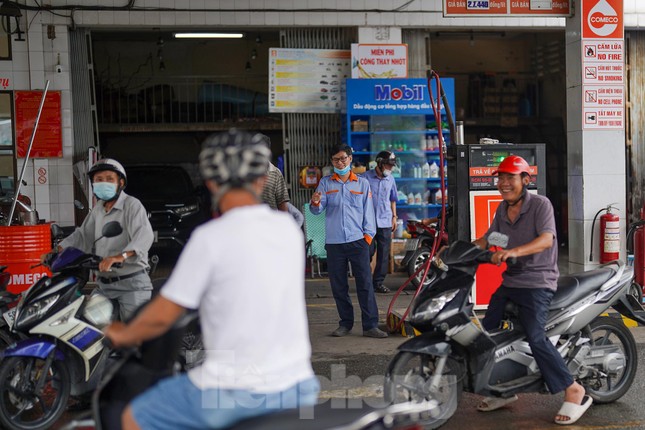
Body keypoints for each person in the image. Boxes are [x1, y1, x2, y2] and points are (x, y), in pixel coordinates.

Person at [105, 129, 318, 430]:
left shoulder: (210, 238)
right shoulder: (288, 232)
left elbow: (165, 312)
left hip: (233, 389)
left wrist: (123, 334)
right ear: (261, 180)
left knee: (134, 417)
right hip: (298, 383)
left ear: (210, 183)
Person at [472, 155, 590, 425]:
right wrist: (465, 248)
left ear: (525, 180)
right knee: (488, 333)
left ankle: (573, 390)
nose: (503, 183)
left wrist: (514, 251)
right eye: (500, 178)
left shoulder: (540, 205)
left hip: (538, 282)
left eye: (510, 177)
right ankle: (503, 389)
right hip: (512, 282)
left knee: (536, 337)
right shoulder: (503, 210)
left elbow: (546, 239)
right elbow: (495, 237)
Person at [45, 158, 154, 321]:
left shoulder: (132, 205)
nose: (104, 183)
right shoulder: (98, 209)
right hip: (105, 286)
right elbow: (82, 235)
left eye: (110, 179)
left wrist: (119, 257)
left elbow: (144, 235)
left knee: (133, 336)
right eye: (99, 179)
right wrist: (56, 251)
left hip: (131, 285)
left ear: (121, 182)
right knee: (88, 329)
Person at [309, 143, 387, 339]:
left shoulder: (362, 184)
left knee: (365, 284)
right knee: (339, 286)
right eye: (336, 159)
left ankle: (370, 326)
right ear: (332, 162)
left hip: (357, 241)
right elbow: (316, 210)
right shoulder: (326, 183)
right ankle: (345, 324)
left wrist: (367, 238)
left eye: (343, 158)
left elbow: (369, 213)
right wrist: (316, 202)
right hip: (335, 244)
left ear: (350, 159)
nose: (340, 162)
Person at [362, 150, 398, 294]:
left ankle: (378, 283)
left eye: (391, 166)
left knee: (383, 254)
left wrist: (394, 217)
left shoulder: (391, 179)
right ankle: (365, 280)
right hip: (368, 222)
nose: (390, 169)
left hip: (385, 221)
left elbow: (393, 199)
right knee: (367, 251)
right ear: (380, 164)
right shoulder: (365, 178)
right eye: (388, 166)